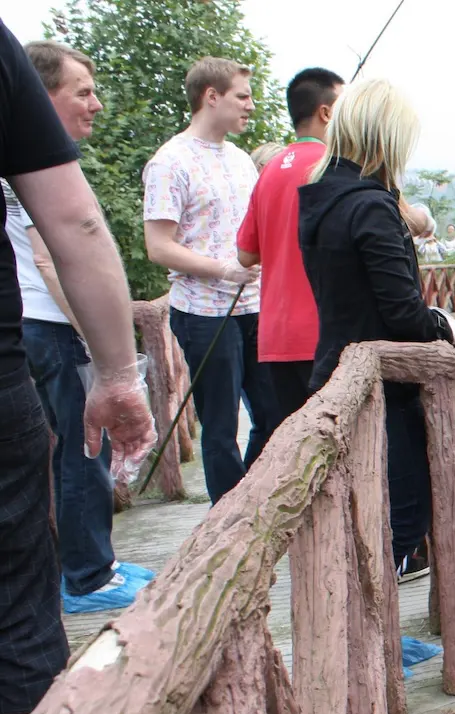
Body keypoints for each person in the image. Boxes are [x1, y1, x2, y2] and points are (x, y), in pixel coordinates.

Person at [0, 19, 155, 714]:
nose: (95, 105)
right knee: (15, 623)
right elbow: (74, 226)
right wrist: (118, 371)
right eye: (83, 92)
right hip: (37, 341)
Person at [298, 77, 455, 578]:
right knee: (402, 518)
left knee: (365, 521)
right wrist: (448, 327)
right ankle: (376, 652)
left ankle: (372, 648)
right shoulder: (370, 206)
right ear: (385, 138)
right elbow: (403, 314)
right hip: (382, 391)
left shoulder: (321, 199)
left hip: (333, 371)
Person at [143, 56, 275, 504]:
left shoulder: (241, 161)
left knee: (275, 412)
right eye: (243, 96)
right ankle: (230, 520)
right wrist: (222, 269)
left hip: (255, 305)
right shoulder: (169, 162)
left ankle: (249, 497)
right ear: (211, 97)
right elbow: (158, 246)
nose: (250, 106)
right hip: (202, 312)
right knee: (219, 426)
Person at [236, 66, 343, 437]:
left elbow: (246, 255)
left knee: (294, 451)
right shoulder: (335, 168)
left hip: (276, 338)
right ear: (326, 112)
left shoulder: (267, 172)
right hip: (324, 335)